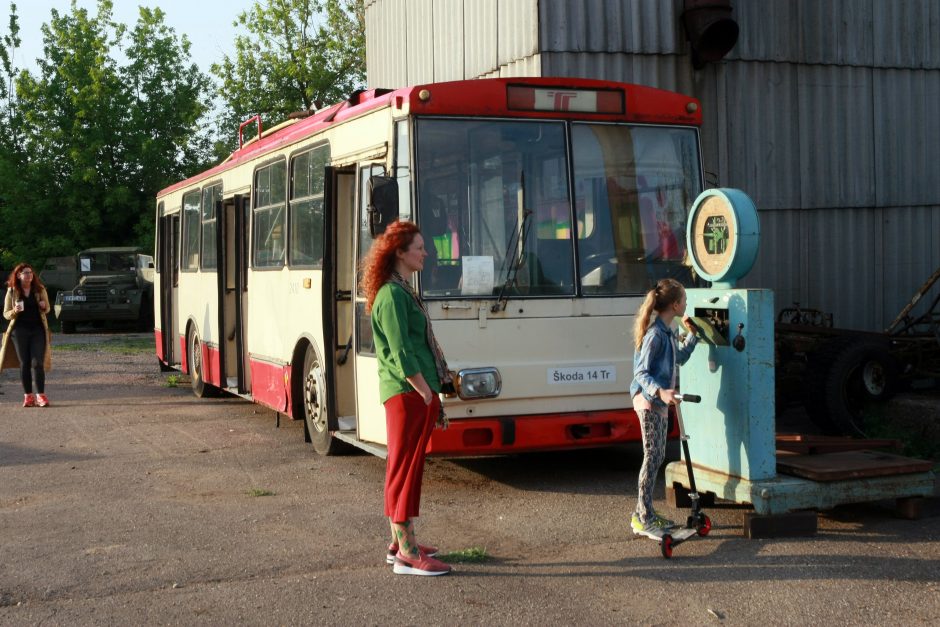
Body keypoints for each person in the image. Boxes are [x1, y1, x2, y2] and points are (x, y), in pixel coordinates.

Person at [360, 220, 453, 576]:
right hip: (408, 394)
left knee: (404, 468)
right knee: (405, 469)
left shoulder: (399, 290)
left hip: (413, 394)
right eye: (419, 247)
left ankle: (401, 541)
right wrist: (428, 393)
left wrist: (432, 396)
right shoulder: (392, 295)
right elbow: (401, 354)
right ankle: (408, 556)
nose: (425, 253)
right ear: (400, 252)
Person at [628, 278, 699, 536]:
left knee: (656, 456)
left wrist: (694, 336)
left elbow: (678, 357)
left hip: (659, 401)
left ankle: (642, 513)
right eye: (685, 302)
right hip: (648, 400)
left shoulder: (668, 332)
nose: (687, 306)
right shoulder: (655, 334)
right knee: (653, 456)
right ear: (676, 304)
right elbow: (640, 372)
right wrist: (660, 391)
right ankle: (643, 517)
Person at [2, 263, 54, 407]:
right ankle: (28, 396)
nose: (29, 275)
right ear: (19, 275)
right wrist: (15, 311)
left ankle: (41, 396)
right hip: (19, 330)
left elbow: (48, 308)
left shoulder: (40, 289)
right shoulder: (12, 292)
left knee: (38, 362)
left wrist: (44, 307)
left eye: (30, 272)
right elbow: (6, 314)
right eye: (26, 273)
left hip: (38, 330)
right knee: (24, 363)